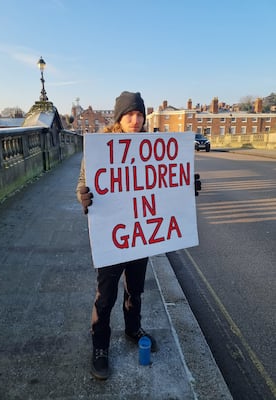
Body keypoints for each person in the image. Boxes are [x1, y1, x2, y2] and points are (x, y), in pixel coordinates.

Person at [76, 91, 201, 380]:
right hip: (112, 235)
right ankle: (100, 348)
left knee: (136, 289)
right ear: (119, 117)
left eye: (139, 114)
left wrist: (185, 188)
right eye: (129, 114)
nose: (135, 120)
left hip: (139, 236)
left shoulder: (152, 146)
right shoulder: (101, 148)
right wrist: (83, 196)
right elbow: (83, 183)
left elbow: (165, 184)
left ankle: (133, 329)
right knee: (105, 296)